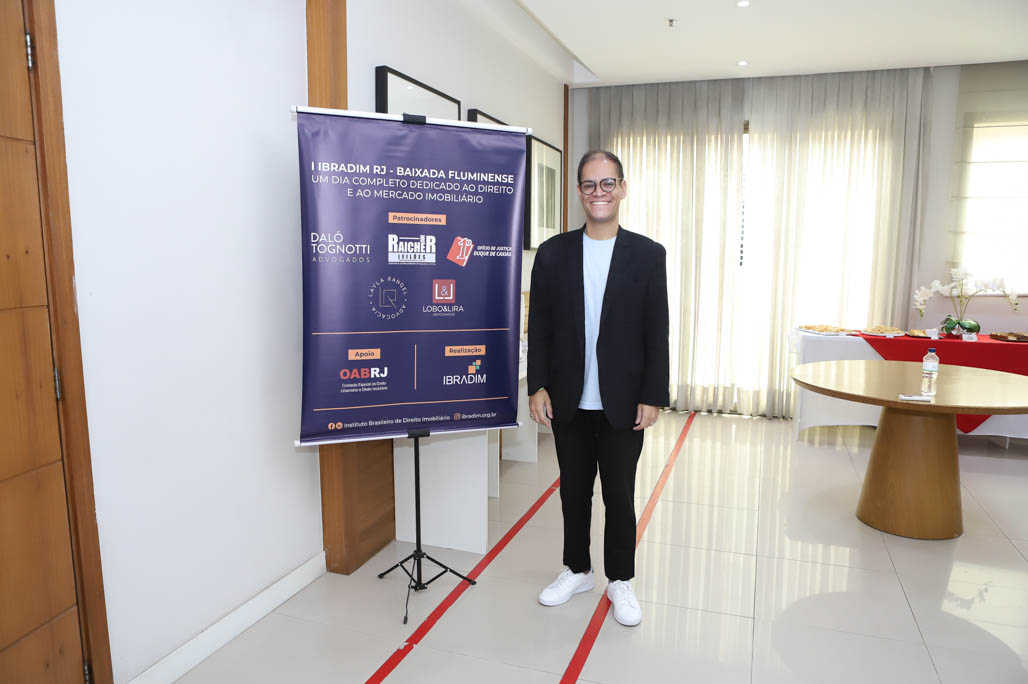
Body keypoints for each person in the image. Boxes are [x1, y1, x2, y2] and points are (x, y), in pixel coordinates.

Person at [527, 149, 669, 627]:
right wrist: (537, 385)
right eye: (589, 184)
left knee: (620, 496)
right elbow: (540, 325)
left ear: (623, 188)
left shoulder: (648, 255)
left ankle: (620, 579)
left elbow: (657, 330)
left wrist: (653, 394)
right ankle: (577, 570)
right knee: (573, 493)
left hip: (623, 402)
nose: (598, 192)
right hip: (567, 399)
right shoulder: (553, 254)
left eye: (608, 183)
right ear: (579, 192)